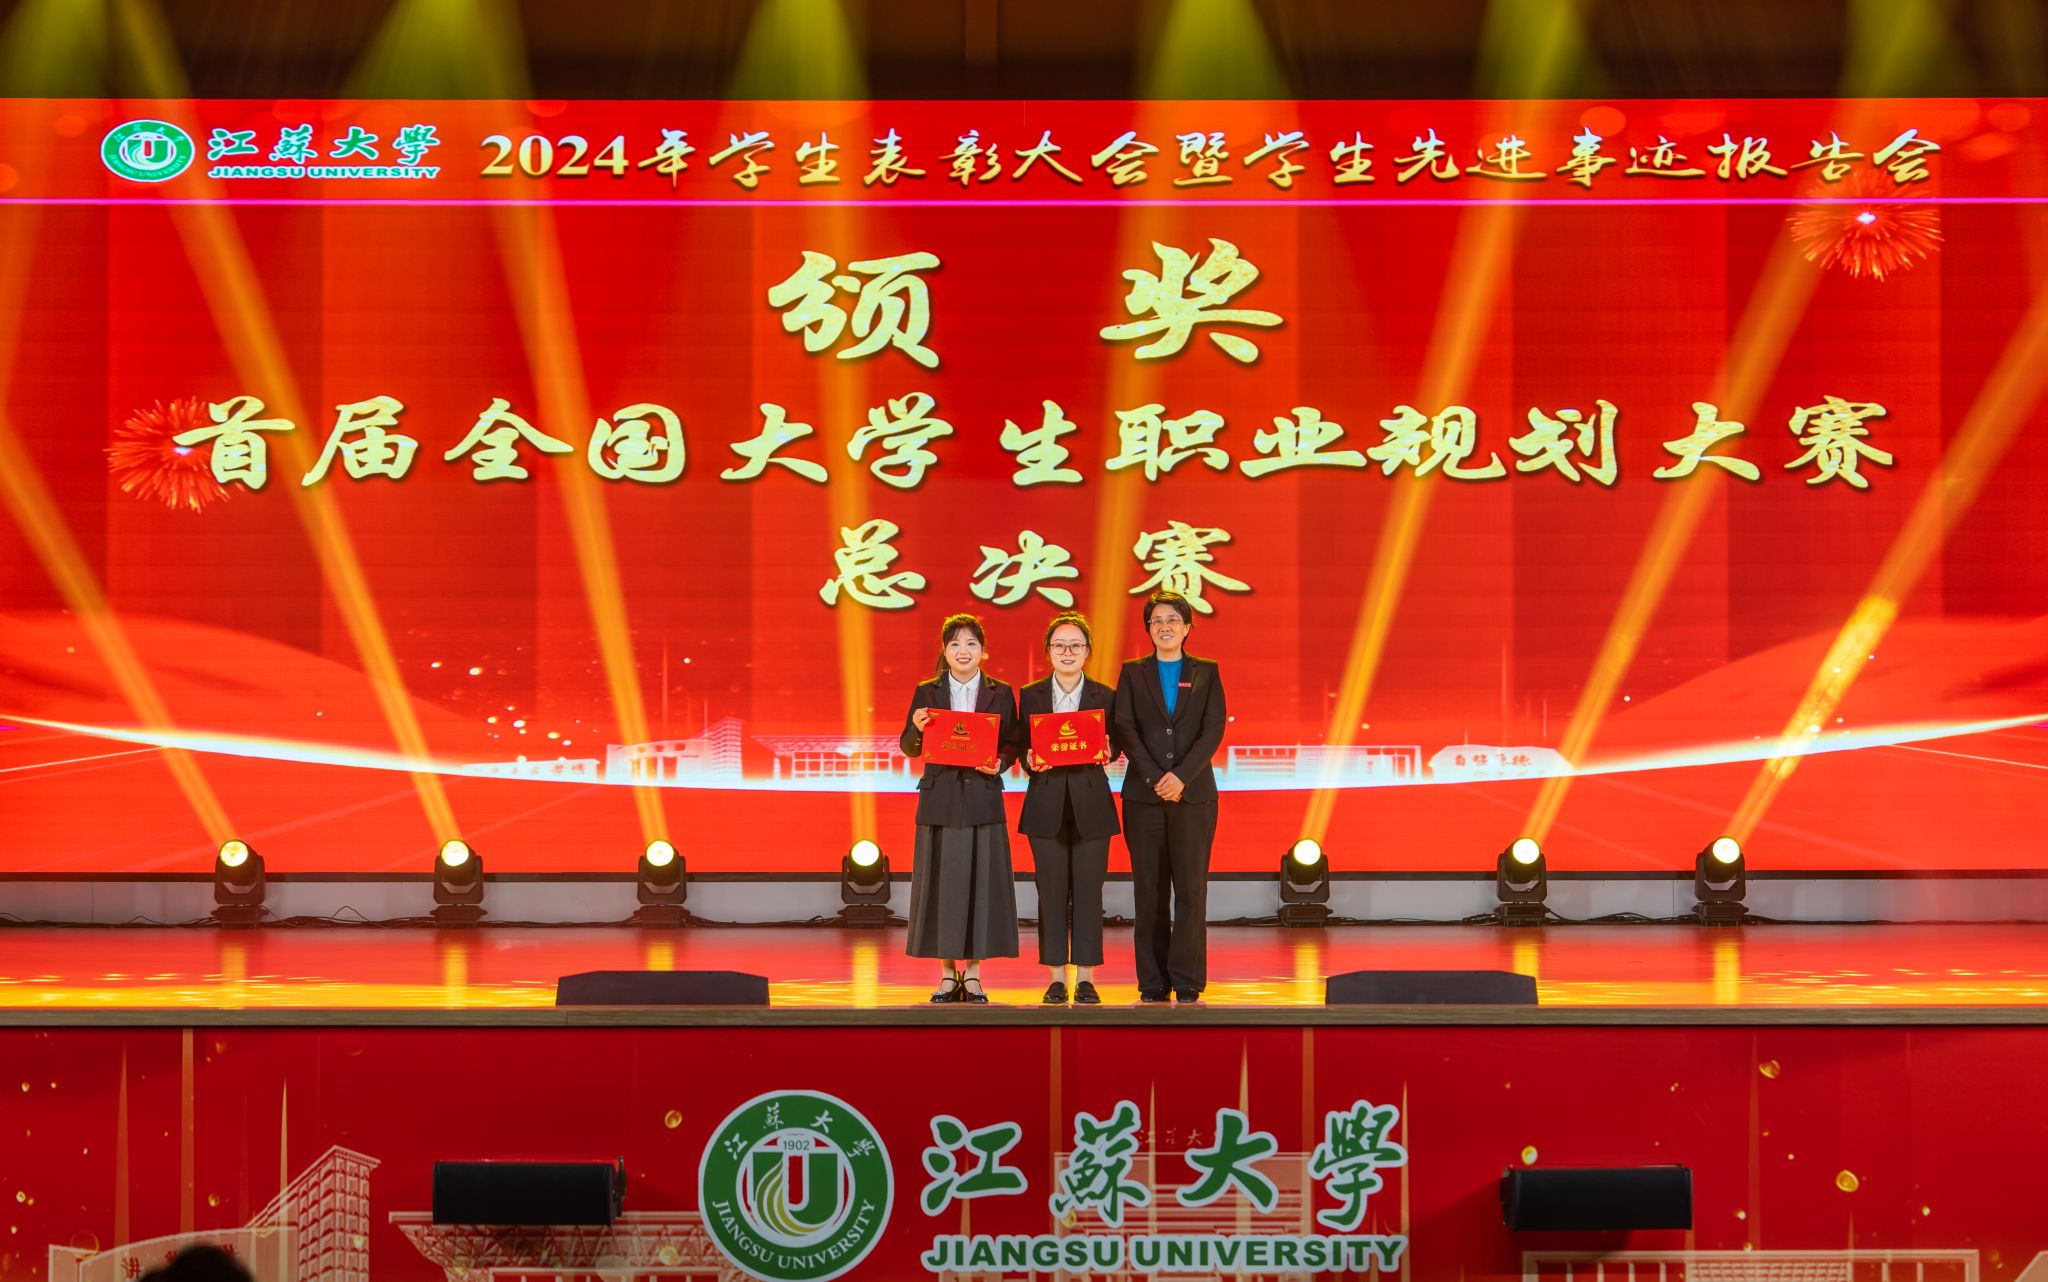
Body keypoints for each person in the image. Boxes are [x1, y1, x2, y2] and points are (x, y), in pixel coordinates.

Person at [1112, 589, 1227, 1003]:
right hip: (1143, 798)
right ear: (1148, 628)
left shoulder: (1207, 672)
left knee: (1192, 891)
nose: (1165, 627)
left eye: (1173, 620)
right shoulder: (1132, 672)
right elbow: (1125, 728)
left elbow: (1213, 729)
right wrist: (1156, 777)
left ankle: (1188, 979)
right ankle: (1153, 981)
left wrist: (1180, 777)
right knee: (1149, 892)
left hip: (1194, 797)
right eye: (1157, 620)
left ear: (1187, 627)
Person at [899, 612, 1021, 1003]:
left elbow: (1013, 743)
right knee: (943, 888)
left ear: (983, 651)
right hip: (941, 800)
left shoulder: (1001, 692)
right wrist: (917, 728)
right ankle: (947, 975)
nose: (963, 650)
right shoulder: (928, 691)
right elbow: (908, 747)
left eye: (971, 643)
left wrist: (1000, 762)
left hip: (983, 797)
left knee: (981, 887)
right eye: (955, 644)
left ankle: (974, 975)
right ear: (944, 650)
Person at [1017, 610, 1121, 1006]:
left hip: (1090, 802)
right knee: (1051, 893)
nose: (1067, 651)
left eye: (1076, 645)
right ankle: (1057, 977)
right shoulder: (1030, 695)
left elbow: (1117, 742)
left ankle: (1088, 977)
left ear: (1087, 651)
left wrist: (1111, 749)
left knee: (1090, 893)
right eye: (1059, 645)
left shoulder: (1104, 695)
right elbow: (1021, 746)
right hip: (1045, 802)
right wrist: (1029, 759)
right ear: (1048, 651)